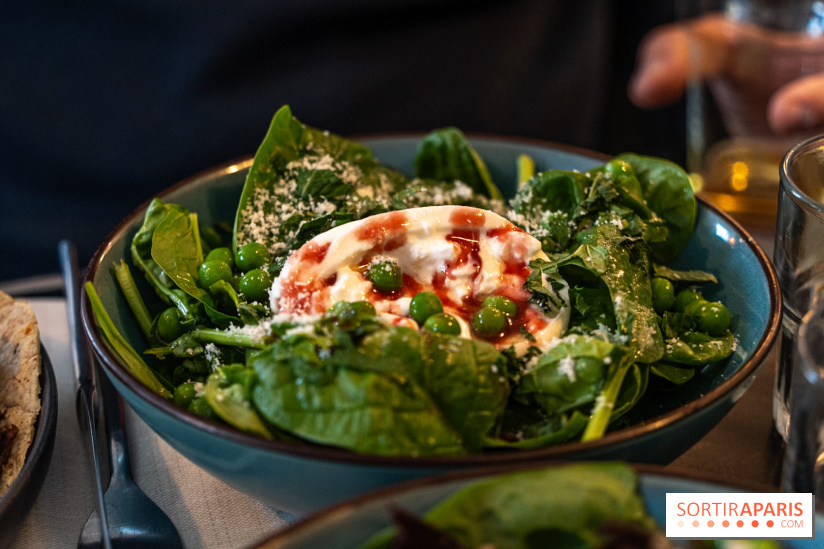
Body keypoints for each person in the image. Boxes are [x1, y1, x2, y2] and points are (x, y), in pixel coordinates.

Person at [2, 2, 822, 285]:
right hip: (62, 271)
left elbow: (668, 32)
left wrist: (720, 93)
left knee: (772, 513)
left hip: (566, 195)